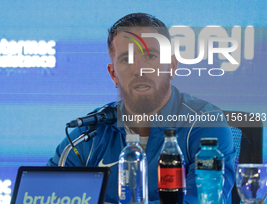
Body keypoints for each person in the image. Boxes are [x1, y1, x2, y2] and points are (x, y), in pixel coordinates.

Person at [47, 13, 236, 204]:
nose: (139, 69)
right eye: (126, 59)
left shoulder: (205, 124)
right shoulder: (93, 131)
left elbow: (204, 201)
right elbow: (45, 193)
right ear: (113, 74)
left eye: (151, 56)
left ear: (171, 66)